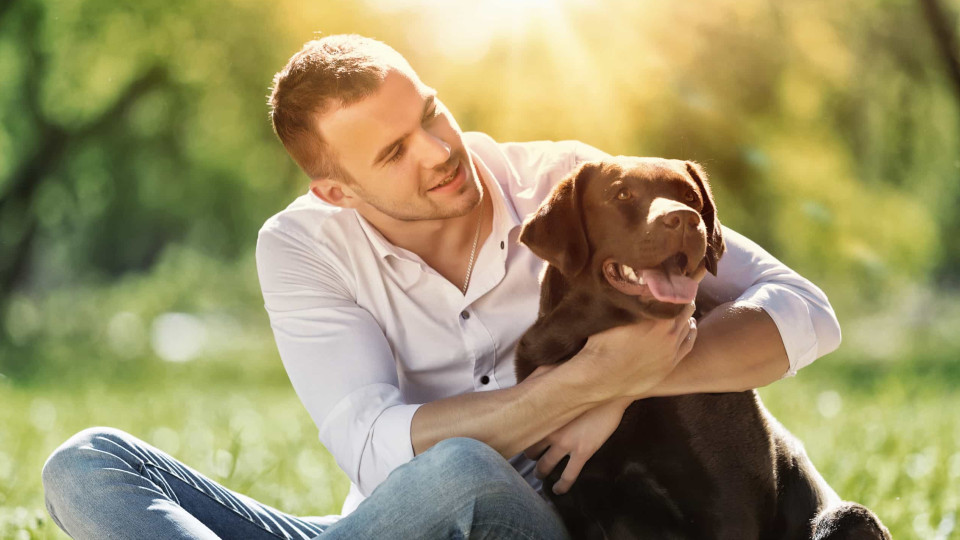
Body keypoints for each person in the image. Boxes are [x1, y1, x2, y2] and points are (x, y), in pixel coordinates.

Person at [41, 34, 841, 539]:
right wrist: (582, 385)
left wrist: (634, 384)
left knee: (465, 470)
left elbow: (804, 311)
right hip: (390, 526)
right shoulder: (301, 247)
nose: (435, 151)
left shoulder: (570, 188)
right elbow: (373, 448)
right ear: (337, 191)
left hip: (551, 516)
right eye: (392, 154)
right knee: (85, 464)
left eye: (429, 112)